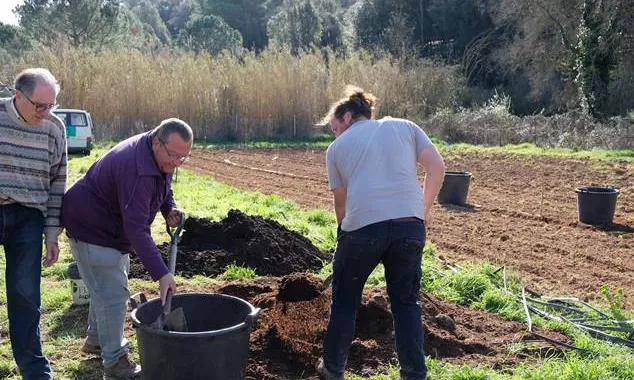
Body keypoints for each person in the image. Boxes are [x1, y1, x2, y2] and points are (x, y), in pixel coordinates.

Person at [317, 86, 445, 380]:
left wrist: (344, 238)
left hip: (363, 228)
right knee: (406, 302)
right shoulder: (404, 127)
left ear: (347, 117)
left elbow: (341, 204)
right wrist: (422, 211)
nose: (335, 134)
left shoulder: (337, 148)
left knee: (346, 299)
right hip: (410, 227)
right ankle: (414, 373)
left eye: (335, 128)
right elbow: (437, 167)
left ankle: (333, 369)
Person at [61, 118, 193, 379]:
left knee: (105, 283)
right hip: (91, 226)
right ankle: (115, 363)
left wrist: (169, 207)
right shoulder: (136, 170)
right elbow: (137, 230)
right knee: (112, 293)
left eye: (184, 158)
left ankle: (96, 340)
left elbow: (164, 182)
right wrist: (161, 273)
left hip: (109, 225)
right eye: (174, 156)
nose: (177, 163)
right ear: (157, 142)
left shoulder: (155, 153)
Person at [0, 68, 66, 379]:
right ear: (17, 96)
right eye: (40, 106)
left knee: (26, 296)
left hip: (29, 217)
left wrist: (52, 233)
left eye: (51, 105)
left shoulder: (55, 128)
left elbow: (58, 183)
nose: (46, 113)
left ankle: (35, 369)